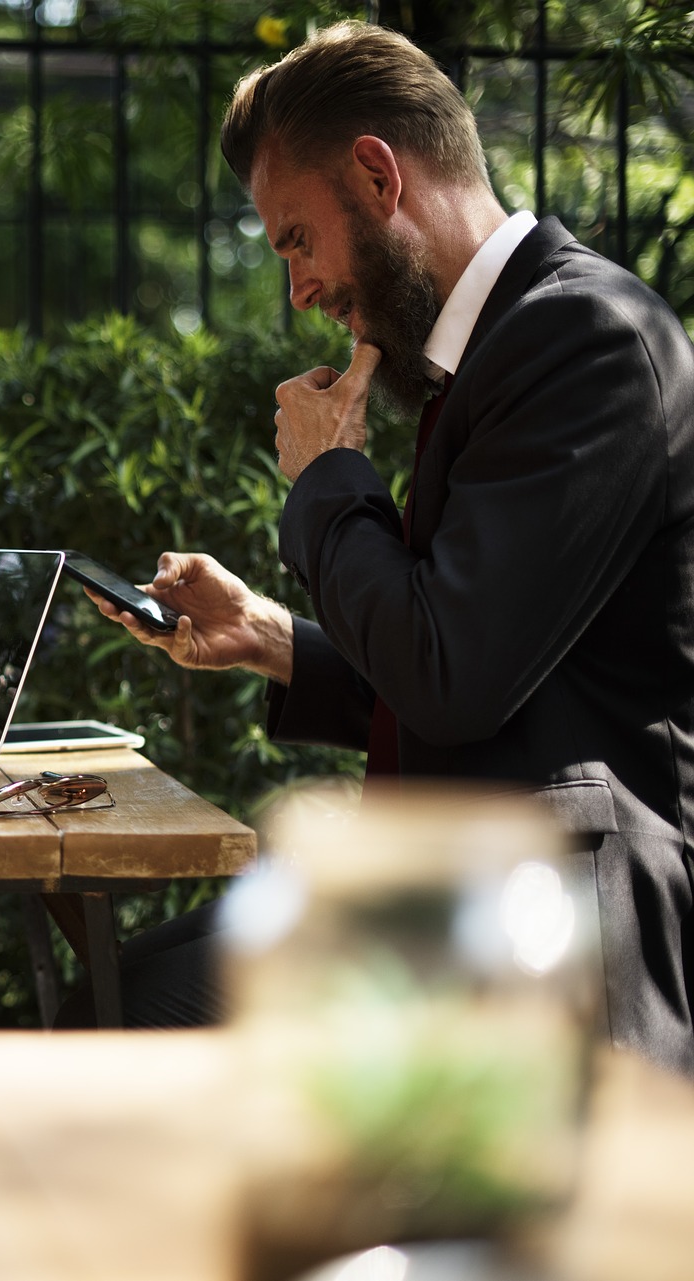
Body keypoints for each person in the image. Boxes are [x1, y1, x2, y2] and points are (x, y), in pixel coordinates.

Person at [80, 21, 694, 1076]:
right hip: (460, 897)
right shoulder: (501, 350)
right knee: (117, 991)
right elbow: (480, 657)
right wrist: (275, 639)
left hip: (555, 934)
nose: (298, 292)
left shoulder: (583, 341)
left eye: (294, 241)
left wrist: (328, 481)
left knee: (129, 1017)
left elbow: (453, 677)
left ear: (377, 175)